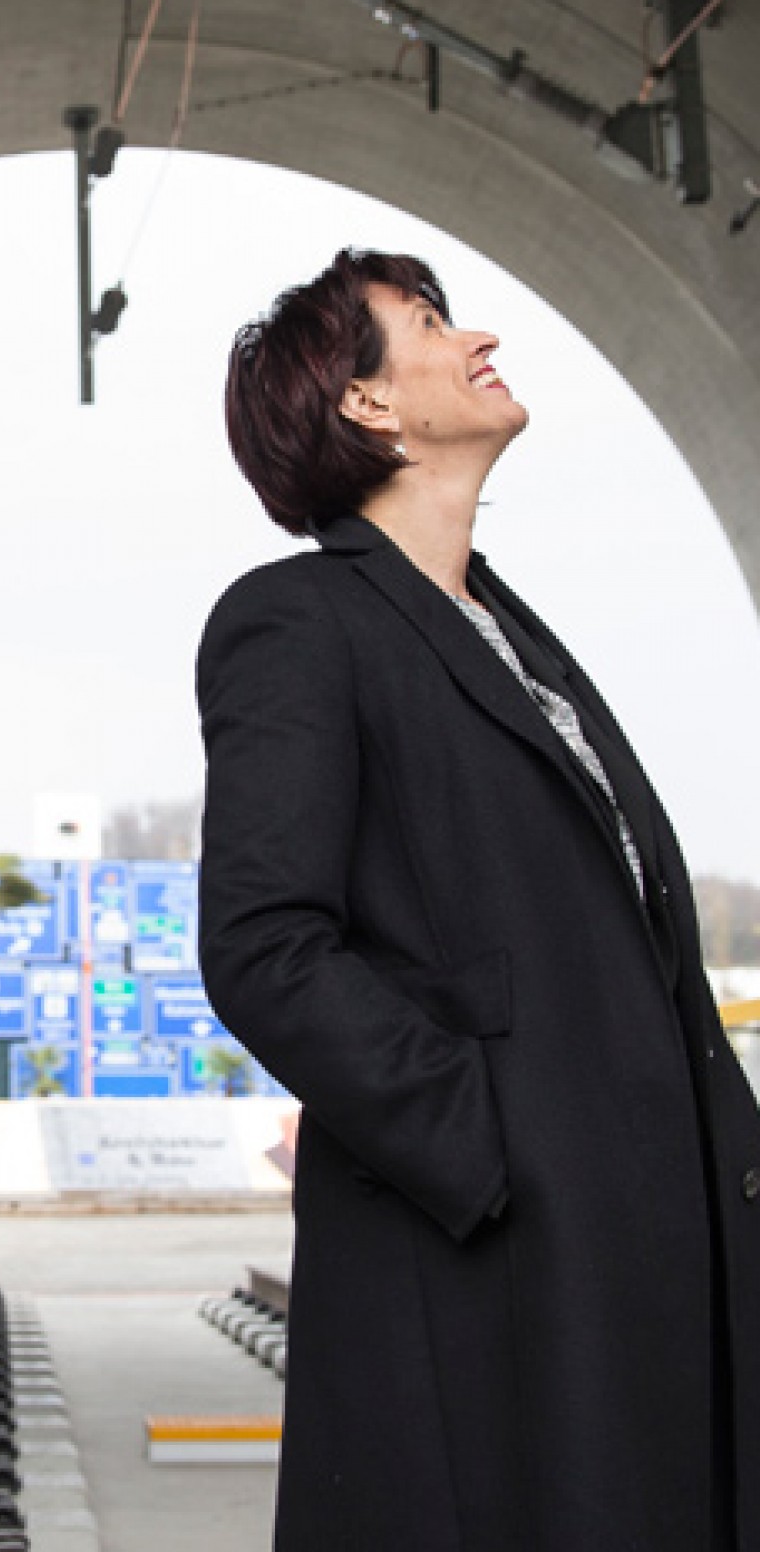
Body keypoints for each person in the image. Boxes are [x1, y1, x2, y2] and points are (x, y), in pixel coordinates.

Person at [196, 247, 760, 1551]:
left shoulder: (508, 630)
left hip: (639, 1241)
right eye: (432, 323)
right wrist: (492, 1135)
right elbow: (263, 944)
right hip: (494, 1247)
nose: (478, 337)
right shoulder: (297, 622)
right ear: (366, 402)